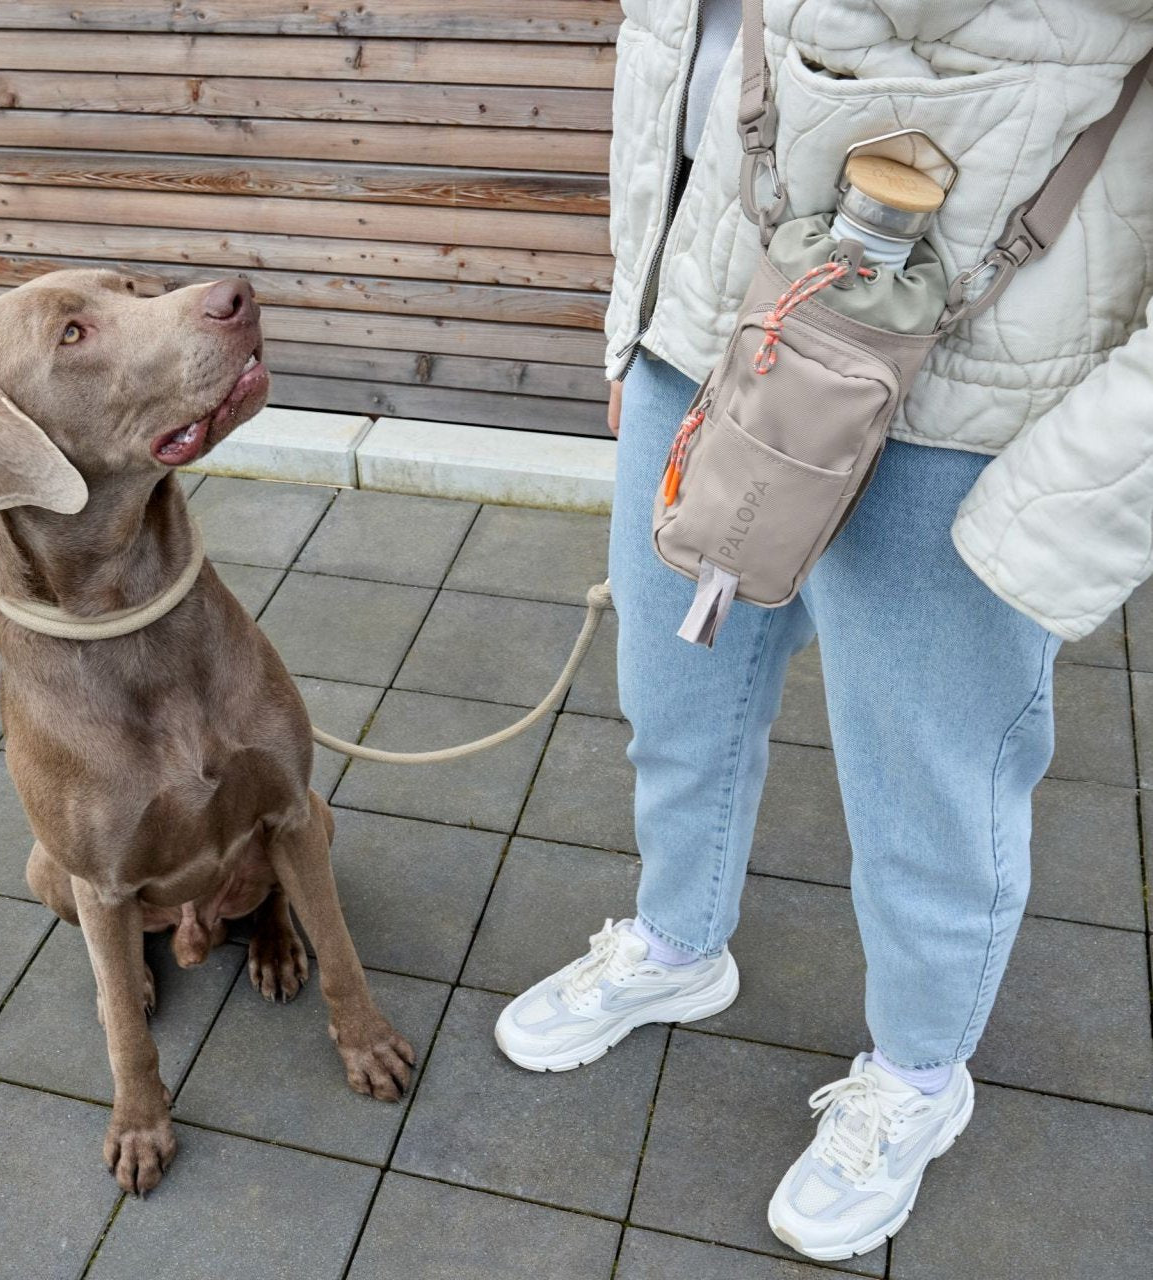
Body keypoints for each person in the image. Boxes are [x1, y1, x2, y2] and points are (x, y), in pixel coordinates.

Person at [494, 0, 1153, 1262]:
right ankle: (677, 941)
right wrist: (637, 301)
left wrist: (1076, 498)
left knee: (929, 785)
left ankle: (916, 1073)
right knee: (670, 690)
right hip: (720, 314)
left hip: (986, 392)